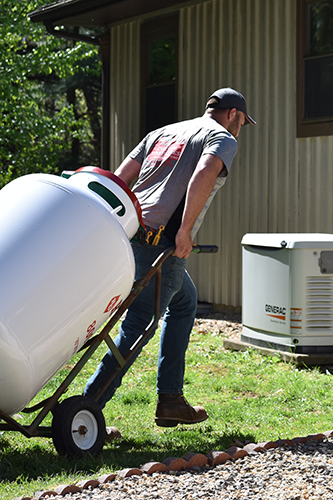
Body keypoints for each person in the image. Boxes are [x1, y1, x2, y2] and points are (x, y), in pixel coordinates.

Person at [83, 87, 256, 429]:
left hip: (130, 233)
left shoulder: (161, 133)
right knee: (137, 328)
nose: (240, 129)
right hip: (162, 243)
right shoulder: (222, 137)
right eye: (242, 122)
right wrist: (185, 231)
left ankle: (171, 399)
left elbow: (119, 179)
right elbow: (205, 173)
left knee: (184, 302)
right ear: (233, 115)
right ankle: (88, 411)